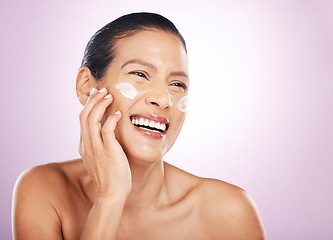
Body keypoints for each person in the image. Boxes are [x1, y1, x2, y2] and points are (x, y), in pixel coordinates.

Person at [12, 12, 266, 239]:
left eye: (177, 85)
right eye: (140, 75)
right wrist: (110, 197)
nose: (163, 99)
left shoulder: (228, 211)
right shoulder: (43, 189)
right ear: (86, 86)